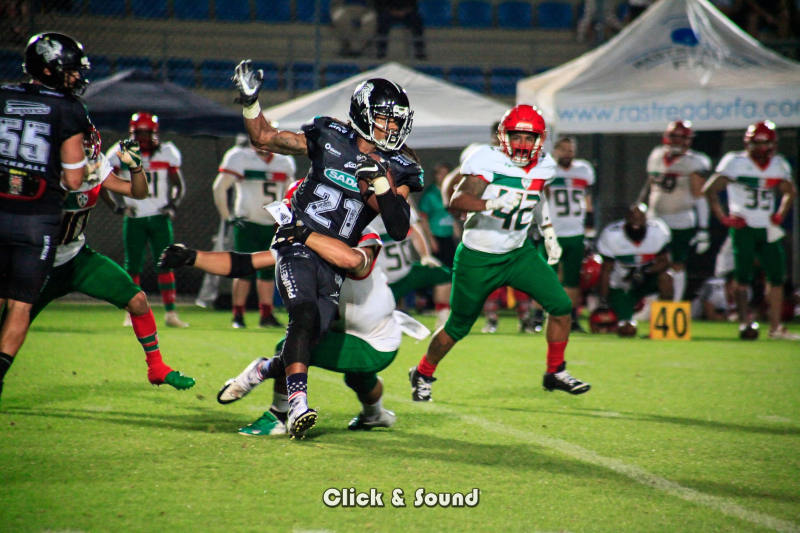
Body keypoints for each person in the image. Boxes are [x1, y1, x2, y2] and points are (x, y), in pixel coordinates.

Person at [233, 61, 423, 437]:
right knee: (301, 317)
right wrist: (250, 102)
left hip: (333, 260)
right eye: (387, 119)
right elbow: (265, 138)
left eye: (398, 120)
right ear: (364, 116)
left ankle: (265, 376)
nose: (394, 127)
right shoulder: (329, 136)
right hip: (298, 243)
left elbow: (400, 227)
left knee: (309, 332)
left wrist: (383, 187)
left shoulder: (400, 166)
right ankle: (293, 406)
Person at [160, 229, 429, 436]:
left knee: (290, 345)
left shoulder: (356, 232)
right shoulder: (304, 240)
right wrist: (192, 257)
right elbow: (245, 263)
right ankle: (375, 415)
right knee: (359, 379)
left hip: (375, 341)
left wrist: (305, 234)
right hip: (352, 332)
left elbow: (354, 261)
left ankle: (276, 411)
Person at [409, 105, 591, 402]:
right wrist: (490, 204)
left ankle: (555, 371)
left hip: (519, 253)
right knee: (457, 326)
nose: (521, 144)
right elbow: (457, 201)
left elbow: (537, 195)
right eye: (516, 136)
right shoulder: (487, 159)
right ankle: (423, 371)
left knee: (560, 305)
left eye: (528, 138)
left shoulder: (545, 165)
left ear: (540, 140)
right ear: (504, 137)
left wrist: (547, 229)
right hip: (479, 257)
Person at [15, 128, 195, 390]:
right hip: (38, 260)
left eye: (87, 148)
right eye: (79, 148)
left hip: (76, 256)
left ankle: (156, 367)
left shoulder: (95, 165)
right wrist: (73, 179)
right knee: (11, 324)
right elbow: (50, 203)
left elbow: (139, 192)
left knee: (138, 300)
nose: (85, 153)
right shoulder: (43, 166)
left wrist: (135, 168)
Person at [0, 33, 91, 402]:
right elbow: (73, 178)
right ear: (50, 69)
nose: (75, 78)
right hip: (36, 220)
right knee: (20, 304)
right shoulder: (68, 109)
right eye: (69, 71)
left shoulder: (3, 95)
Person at [703, 120, 798, 340]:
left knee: (776, 277)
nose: (761, 149)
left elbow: (790, 191)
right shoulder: (735, 162)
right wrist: (723, 217)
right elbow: (711, 189)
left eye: (764, 144)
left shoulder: (778, 164)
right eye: (756, 143)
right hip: (744, 226)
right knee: (742, 277)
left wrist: (780, 214)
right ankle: (745, 321)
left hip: (768, 227)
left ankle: (775, 327)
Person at [105, 112, 188, 328]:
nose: (142, 138)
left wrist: (173, 205)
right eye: (139, 133)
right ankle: (131, 313)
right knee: (133, 267)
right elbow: (102, 181)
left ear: (154, 133)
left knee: (166, 264)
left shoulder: (168, 151)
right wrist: (117, 206)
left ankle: (170, 313)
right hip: (135, 218)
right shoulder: (121, 151)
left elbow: (178, 184)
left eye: (146, 133)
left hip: (160, 217)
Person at [213, 137, 296, 328]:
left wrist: (285, 222)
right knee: (244, 271)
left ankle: (266, 315)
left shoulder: (283, 161)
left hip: (272, 223)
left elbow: (288, 194)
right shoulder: (239, 157)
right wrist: (228, 217)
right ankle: (238, 315)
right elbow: (219, 187)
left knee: (268, 271)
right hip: (248, 223)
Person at [637, 120, 711, 302]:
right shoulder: (656, 155)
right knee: (651, 262)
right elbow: (650, 185)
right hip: (655, 218)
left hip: (680, 219)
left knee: (677, 263)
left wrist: (703, 228)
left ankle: (674, 306)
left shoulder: (695, 161)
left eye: (682, 137)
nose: (677, 141)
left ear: (689, 140)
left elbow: (699, 196)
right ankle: (649, 302)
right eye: (674, 136)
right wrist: (640, 208)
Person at [536, 137, 595, 333]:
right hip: (552, 231)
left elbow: (588, 200)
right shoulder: (547, 168)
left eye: (571, 149)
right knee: (543, 278)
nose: (567, 153)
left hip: (575, 232)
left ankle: (573, 319)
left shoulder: (584, 170)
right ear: (556, 150)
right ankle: (537, 318)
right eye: (563, 149)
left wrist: (590, 229)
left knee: (572, 279)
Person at [594, 205, 674, 336]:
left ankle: (665, 324)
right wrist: (603, 301)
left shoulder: (658, 231)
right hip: (622, 286)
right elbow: (606, 271)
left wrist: (645, 272)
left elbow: (666, 262)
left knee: (666, 277)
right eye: (632, 217)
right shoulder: (612, 235)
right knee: (628, 330)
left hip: (646, 280)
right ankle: (624, 318)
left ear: (646, 219)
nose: (636, 221)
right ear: (625, 219)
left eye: (640, 217)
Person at [370, 203, 452, 328]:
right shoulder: (367, 220)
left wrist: (425, 256)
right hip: (384, 282)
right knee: (375, 322)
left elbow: (415, 232)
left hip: (408, 273)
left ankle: (443, 318)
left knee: (442, 274)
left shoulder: (401, 208)